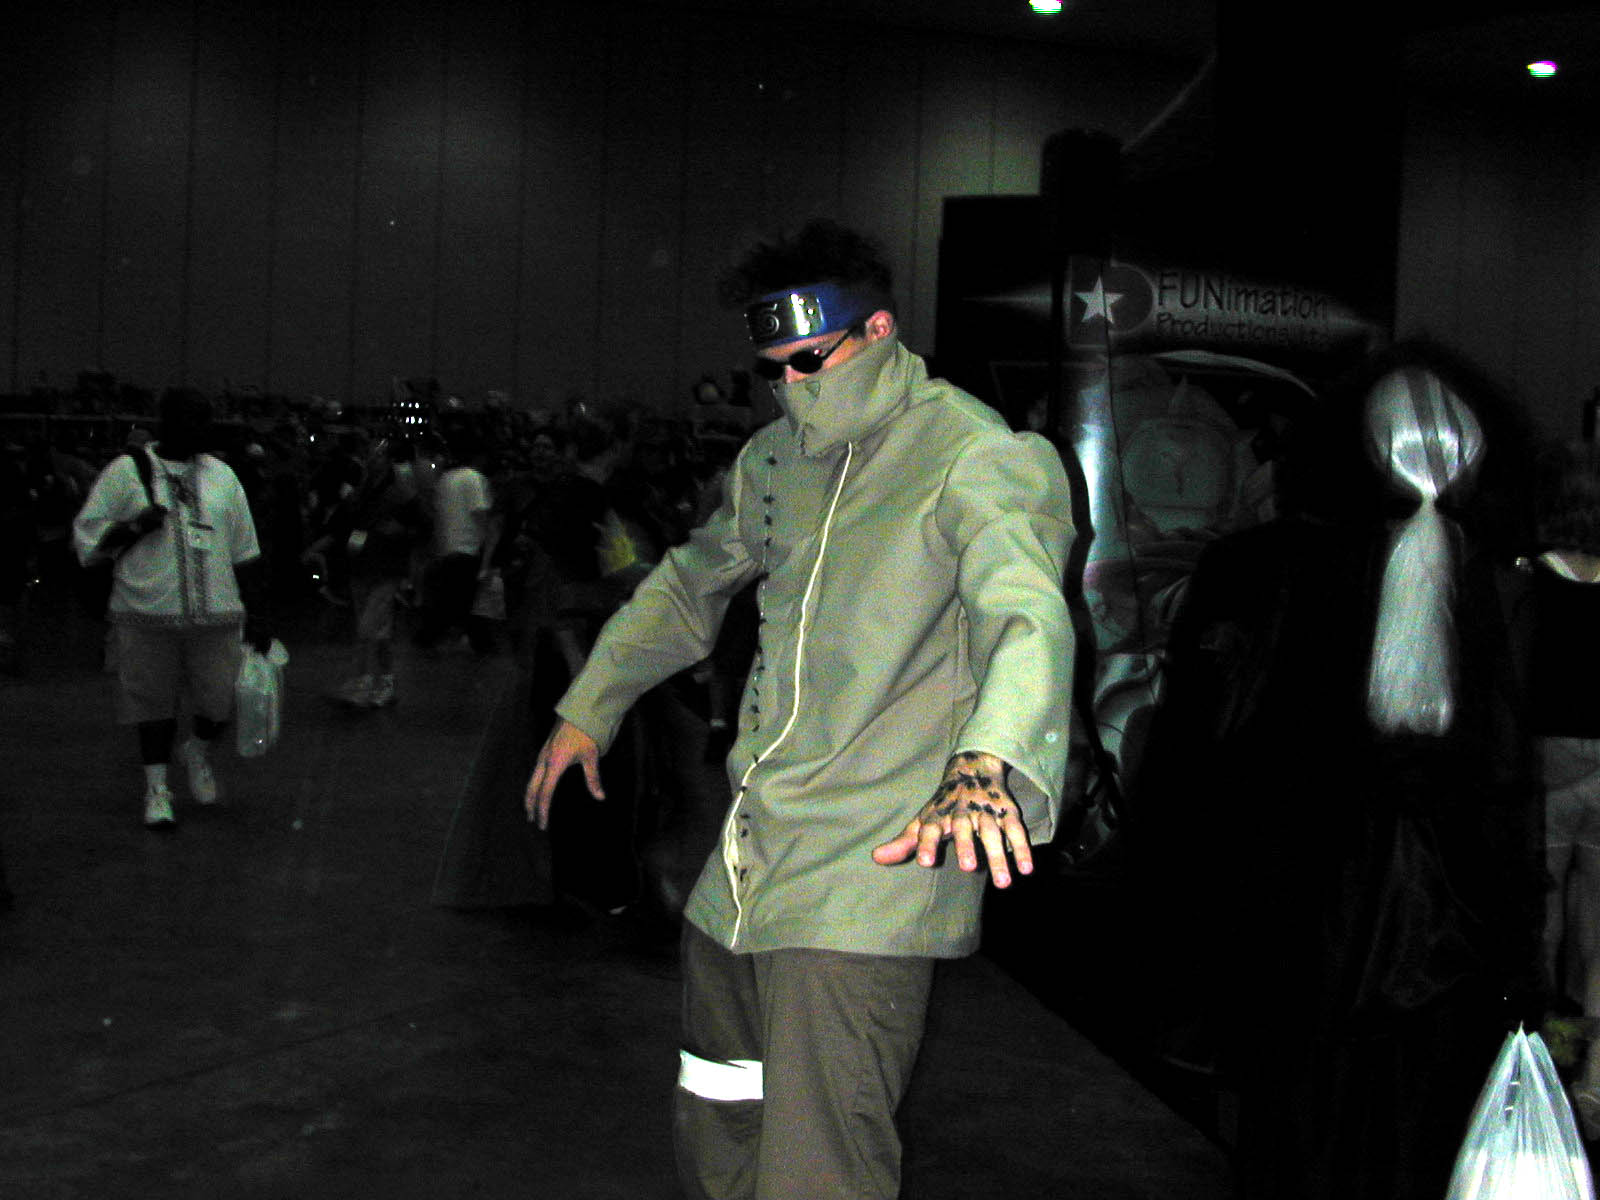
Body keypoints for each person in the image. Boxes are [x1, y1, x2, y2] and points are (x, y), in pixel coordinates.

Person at [524, 218, 1075, 1200]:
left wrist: (987, 758)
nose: (790, 386)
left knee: (818, 1166)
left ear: (878, 331)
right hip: (745, 867)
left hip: (867, 881)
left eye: (811, 361)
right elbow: (686, 587)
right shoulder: (772, 462)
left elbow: (1025, 613)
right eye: (771, 369)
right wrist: (590, 705)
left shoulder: (976, 456)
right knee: (719, 1116)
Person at [72, 388, 271, 829]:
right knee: (151, 705)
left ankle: (197, 749)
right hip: (146, 612)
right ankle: (157, 789)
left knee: (220, 701)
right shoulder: (126, 472)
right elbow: (87, 538)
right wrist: (132, 527)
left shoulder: (222, 476)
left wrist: (258, 613)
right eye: (195, 419)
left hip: (218, 614)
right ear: (169, 421)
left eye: (207, 419)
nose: (205, 429)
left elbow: (245, 550)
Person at [1528, 442, 1600, 1137]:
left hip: (1547, 762)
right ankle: (1595, 1081)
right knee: (1597, 930)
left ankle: (1547, 1062)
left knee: (1542, 922)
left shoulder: (1528, 581)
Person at [415, 433, 495, 655]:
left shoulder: (445, 479)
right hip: (468, 550)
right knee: (465, 606)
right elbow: (481, 516)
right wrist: (488, 550)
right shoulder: (474, 479)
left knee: (451, 604)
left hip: (447, 549)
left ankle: (433, 640)